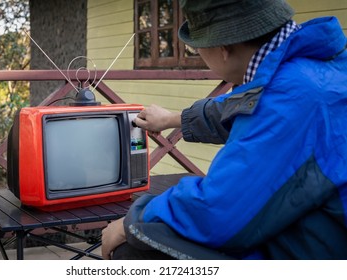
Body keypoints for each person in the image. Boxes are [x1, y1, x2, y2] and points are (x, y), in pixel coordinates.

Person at [102, 0, 347, 259]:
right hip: (318, 227)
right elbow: (238, 106)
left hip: (319, 249)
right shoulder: (312, 68)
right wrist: (173, 118)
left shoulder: (290, 96)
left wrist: (133, 221)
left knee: (134, 249)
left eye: (196, 49)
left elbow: (218, 210)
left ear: (223, 49)